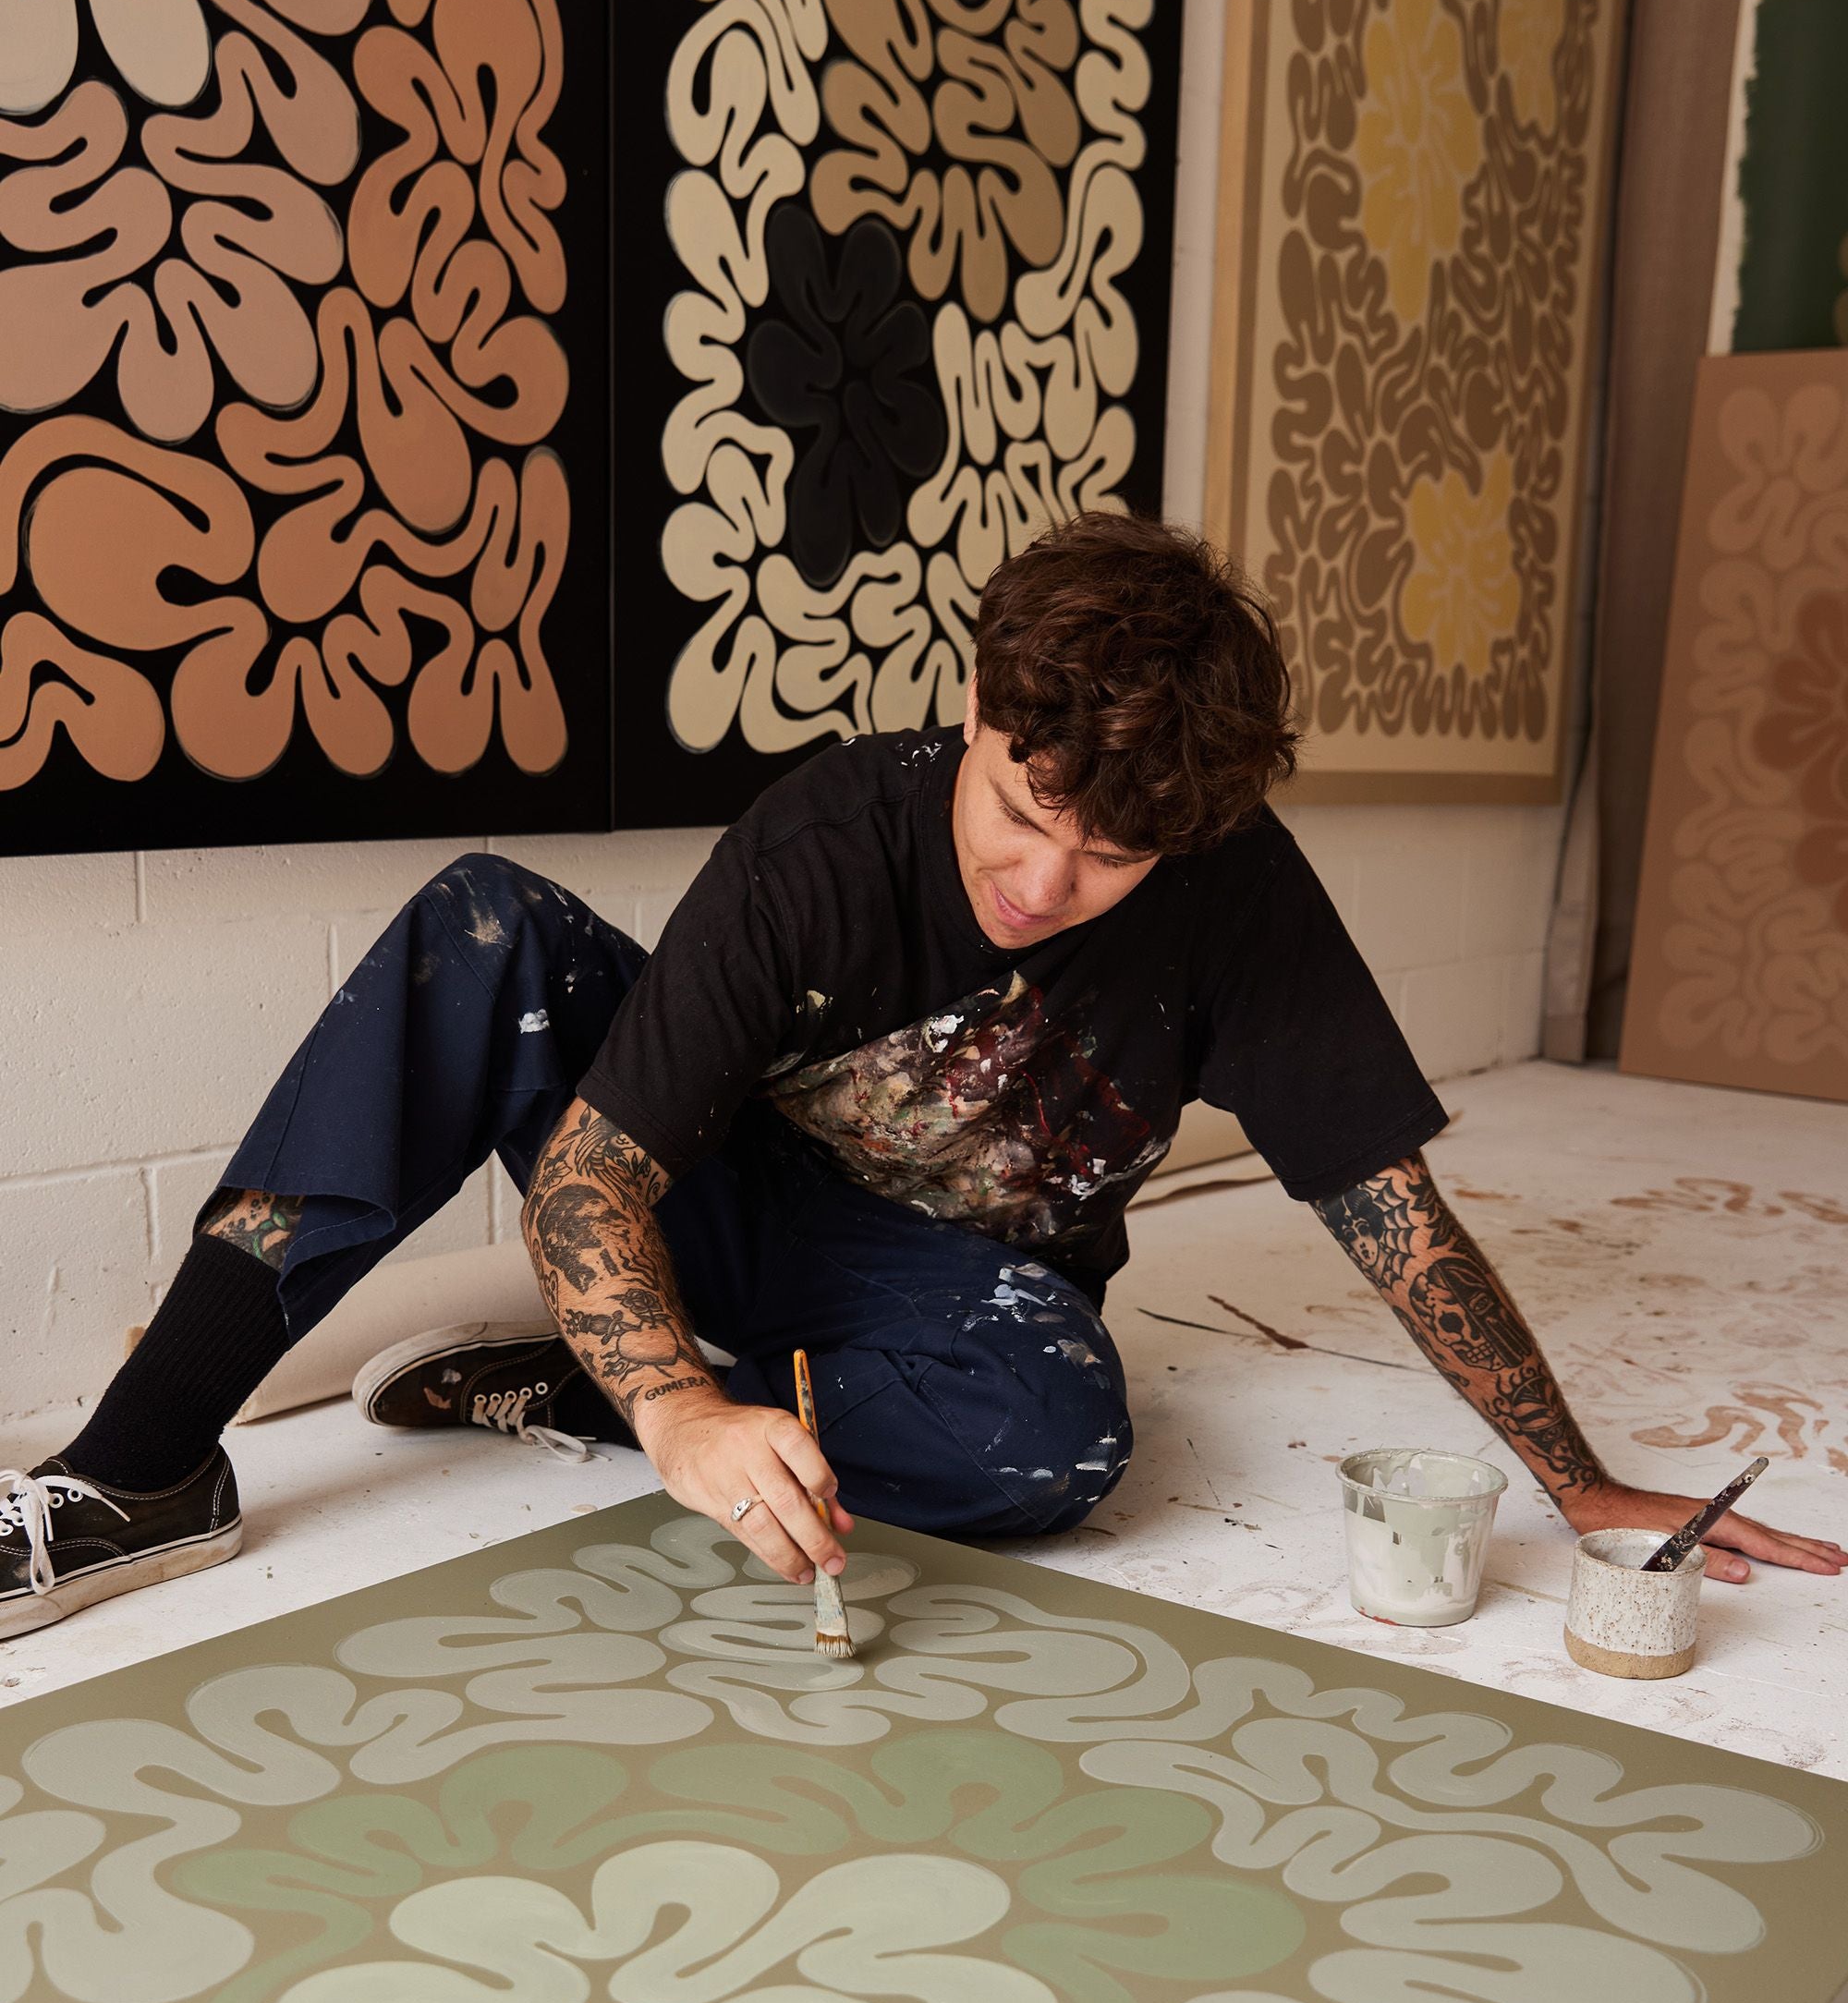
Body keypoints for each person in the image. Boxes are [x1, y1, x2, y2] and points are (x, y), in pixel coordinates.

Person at [4, 514, 1842, 1635]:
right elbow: (591, 1175)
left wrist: (1579, 1476)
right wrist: (685, 1419)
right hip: (716, 1187)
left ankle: (586, 1382)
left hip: (953, 1291)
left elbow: (1391, 1210)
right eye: (1027, 813)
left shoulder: (1230, 893)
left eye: (1108, 861)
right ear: (979, 714)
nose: (1047, 884)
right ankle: (139, 1474)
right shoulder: (824, 834)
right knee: (480, 922)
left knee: (1062, 1441)